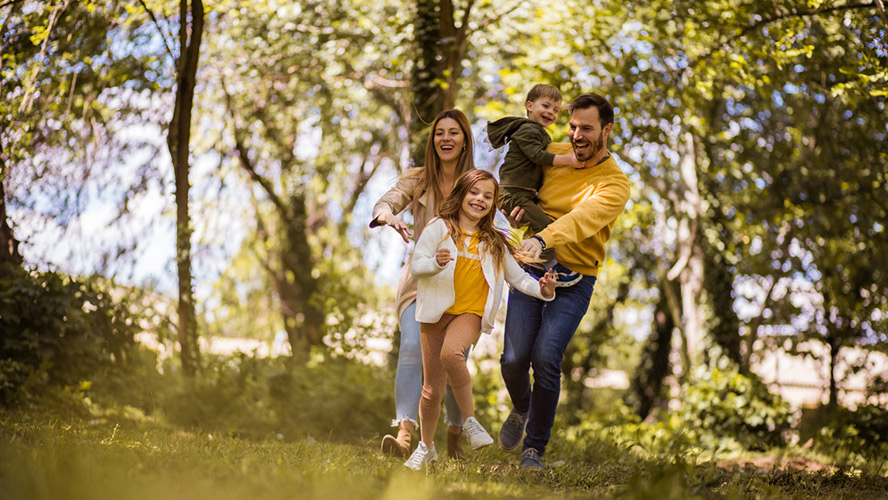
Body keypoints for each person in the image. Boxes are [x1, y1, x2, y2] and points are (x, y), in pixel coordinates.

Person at [497, 93, 631, 470]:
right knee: (512, 359)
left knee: (545, 357)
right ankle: (523, 407)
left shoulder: (615, 183)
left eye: (586, 128)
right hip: (531, 267)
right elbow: (515, 179)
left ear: (607, 130)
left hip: (576, 278)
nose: (576, 135)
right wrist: (515, 207)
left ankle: (533, 449)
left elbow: (581, 219)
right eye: (572, 127)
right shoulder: (553, 153)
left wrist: (542, 238)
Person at [403, 169, 557, 471]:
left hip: (470, 314)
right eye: (475, 192)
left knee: (452, 354)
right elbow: (417, 265)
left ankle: (470, 421)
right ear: (461, 194)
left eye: (488, 196)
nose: (480, 200)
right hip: (435, 313)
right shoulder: (439, 228)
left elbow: (518, 278)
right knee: (431, 390)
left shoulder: (495, 242)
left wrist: (542, 290)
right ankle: (426, 447)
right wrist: (435, 263)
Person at [370, 109, 474, 461]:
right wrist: (387, 215)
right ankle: (404, 436)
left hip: (463, 283)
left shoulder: (476, 183)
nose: (445, 138)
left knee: (453, 358)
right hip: (422, 278)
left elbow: (500, 218)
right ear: (433, 141)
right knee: (413, 347)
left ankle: (455, 433)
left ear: (464, 140)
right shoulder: (418, 179)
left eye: (453, 133)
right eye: (439, 133)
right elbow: (386, 200)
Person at [486, 83, 583, 285]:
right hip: (512, 194)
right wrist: (568, 159)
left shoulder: (536, 131)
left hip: (520, 194)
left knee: (543, 222)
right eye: (546, 106)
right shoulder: (527, 129)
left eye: (556, 110)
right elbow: (536, 156)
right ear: (529, 105)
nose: (551, 112)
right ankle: (553, 268)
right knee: (545, 226)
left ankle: (531, 261)